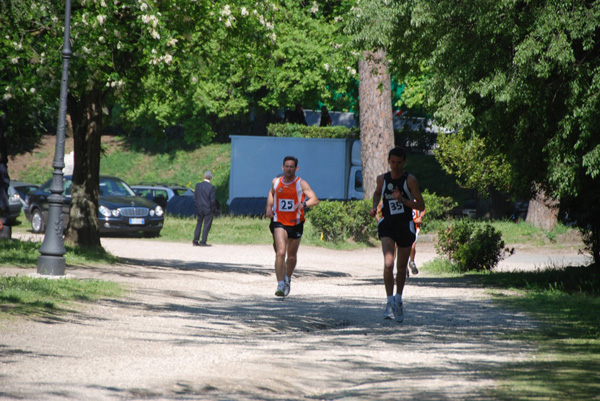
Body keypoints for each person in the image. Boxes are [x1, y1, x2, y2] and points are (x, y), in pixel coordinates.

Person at [369, 147, 425, 322]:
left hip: (405, 225)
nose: (396, 166)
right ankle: (388, 302)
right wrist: (374, 206)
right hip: (388, 225)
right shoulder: (382, 179)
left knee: (401, 268)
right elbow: (377, 193)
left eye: (399, 162)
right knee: (388, 263)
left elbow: (421, 206)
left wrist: (404, 201)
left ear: (404, 162)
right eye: (393, 162)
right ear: (388, 161)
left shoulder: (410, 180)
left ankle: (398, 299)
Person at [266, 156, 318, 297]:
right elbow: (272, 193)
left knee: (291, 256)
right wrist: (269, 207)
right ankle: (280, 284)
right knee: (281, 252)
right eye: (286, 166)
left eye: (291, 167)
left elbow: (315, 199)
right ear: (282, 168)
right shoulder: (276, 182)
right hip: (279, 221)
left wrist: (304, 204)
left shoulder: (301, 183)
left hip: (295, 222)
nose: (289, 169)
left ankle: (288, 278)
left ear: (296, 168)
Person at [193, 171, 217, 247]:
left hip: (199, 208)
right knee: (206, 225)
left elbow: (195, 198)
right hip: (208, 209)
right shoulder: (211, 187)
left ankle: (195, 241)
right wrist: (214, 210)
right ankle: (203, 241)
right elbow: (212, 201)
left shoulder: (198, 186)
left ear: (204, 176)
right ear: (211, 177)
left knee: (199, 224)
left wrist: (197, 206)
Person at [407, 207, 426, 277]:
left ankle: (412, 262)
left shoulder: (415, 199)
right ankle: (404, 266)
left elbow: (423, 208)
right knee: (403, 246)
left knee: (412, 245)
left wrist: (420, 217)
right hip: (404, 225)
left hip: (415, 226)